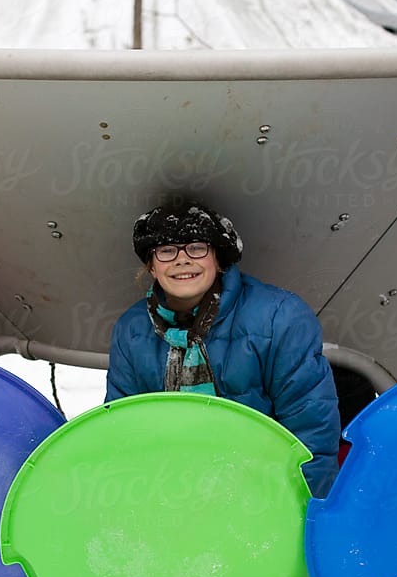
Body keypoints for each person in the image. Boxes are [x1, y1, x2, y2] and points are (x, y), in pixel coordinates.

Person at [105, 200, 341, 497]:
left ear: (218, 259)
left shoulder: (279, 317)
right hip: (172, 492)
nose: (182, 260)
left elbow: (311, 434)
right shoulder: (132, 329)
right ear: (151, 267)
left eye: (197, 247)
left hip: (263, 492)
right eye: (166, 251)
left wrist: (301, 516)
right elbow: (122, 432)